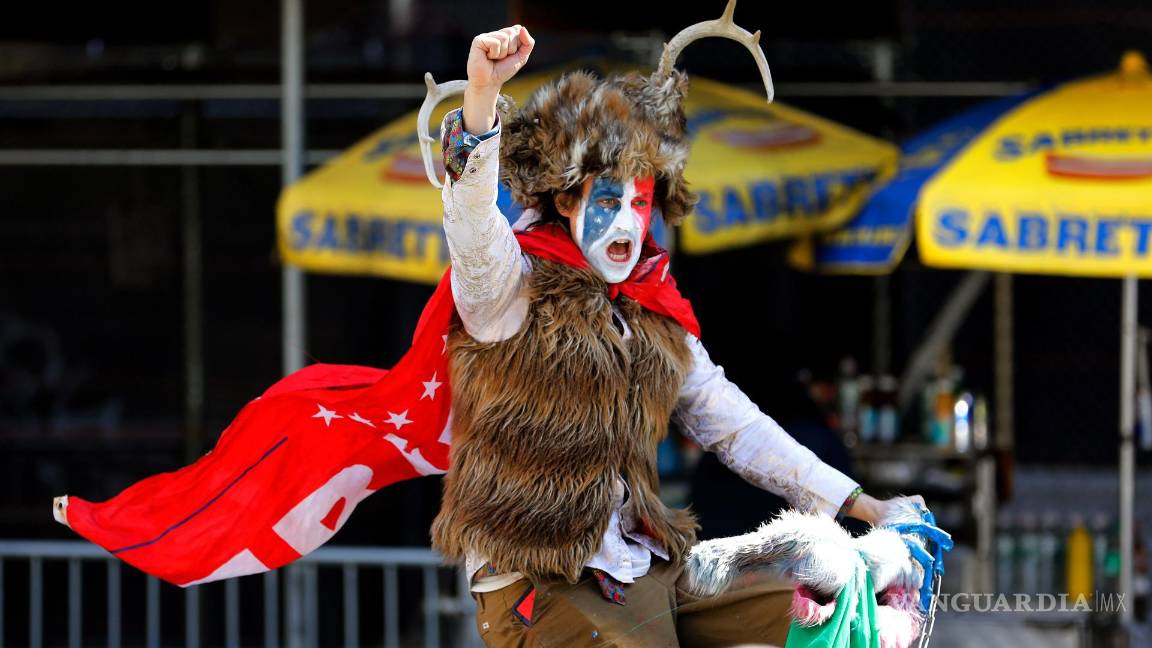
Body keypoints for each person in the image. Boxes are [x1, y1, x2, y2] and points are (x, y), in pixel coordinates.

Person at [433, 24, 926, 647]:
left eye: (639, 203)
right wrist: (479, 99)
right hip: (539, 582)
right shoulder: (510, 287)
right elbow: (473, 227)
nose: (626, 221)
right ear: (565, 201)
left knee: (830, 608)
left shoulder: (655, 312)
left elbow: (737, 428)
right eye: (607, 200)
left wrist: (865, 507)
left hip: (644, 569)